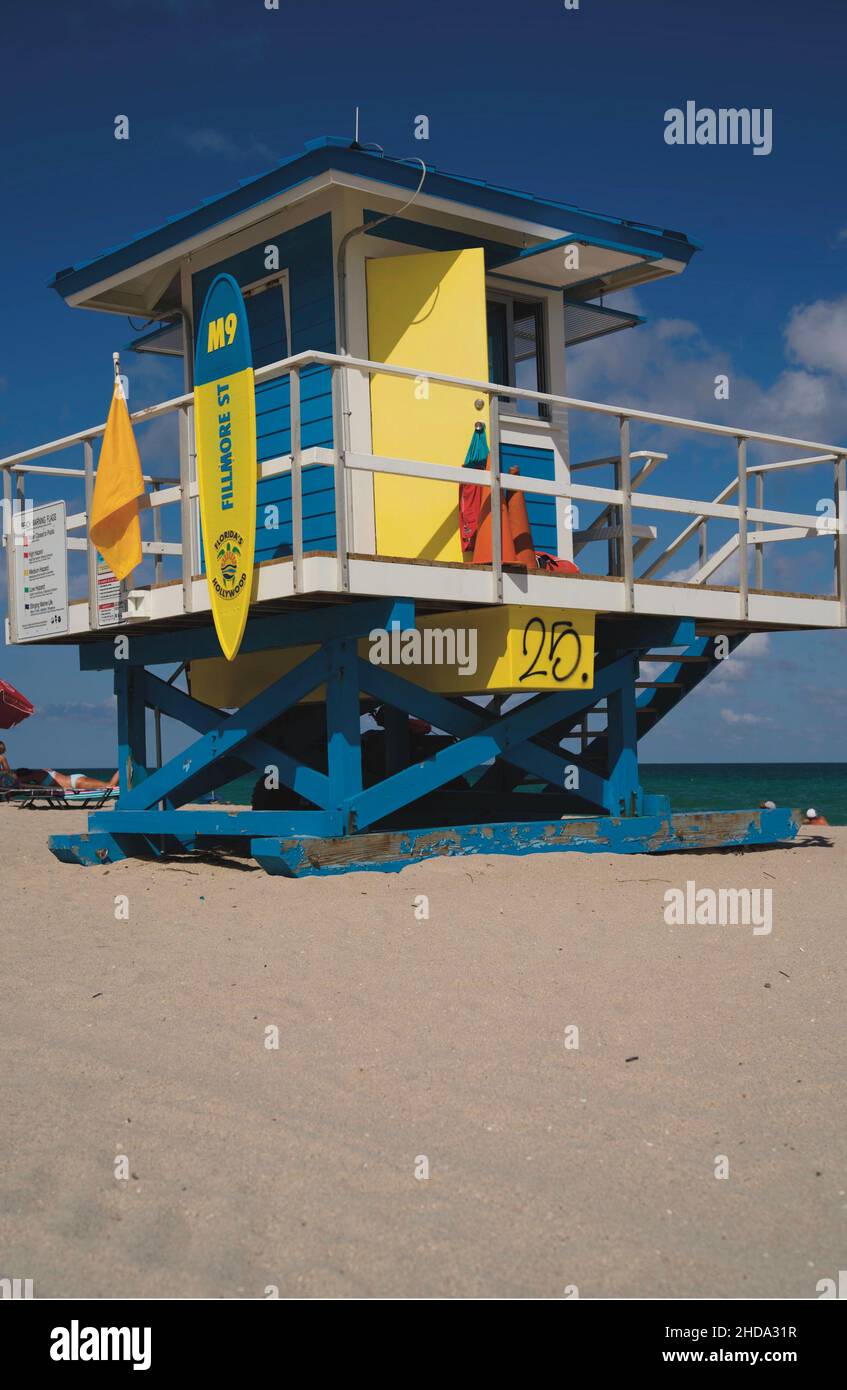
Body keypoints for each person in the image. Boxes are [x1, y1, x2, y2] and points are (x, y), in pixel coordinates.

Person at [16, 768, 119, 792]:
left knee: (109, 785)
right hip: (74, 779)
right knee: (108, 784)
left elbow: (20, 783)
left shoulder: (34, 776)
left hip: (75, 783)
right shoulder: (42, 771)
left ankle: (123, 766)